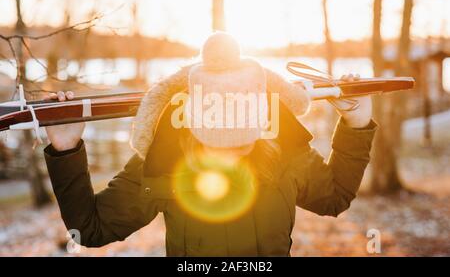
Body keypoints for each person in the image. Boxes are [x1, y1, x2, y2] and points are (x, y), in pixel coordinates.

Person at [44, 32, 376, 256]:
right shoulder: (166, 158)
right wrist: (66, 149)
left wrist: (356, 124)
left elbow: (334, 197)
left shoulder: (284, 149)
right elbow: (89, 229)